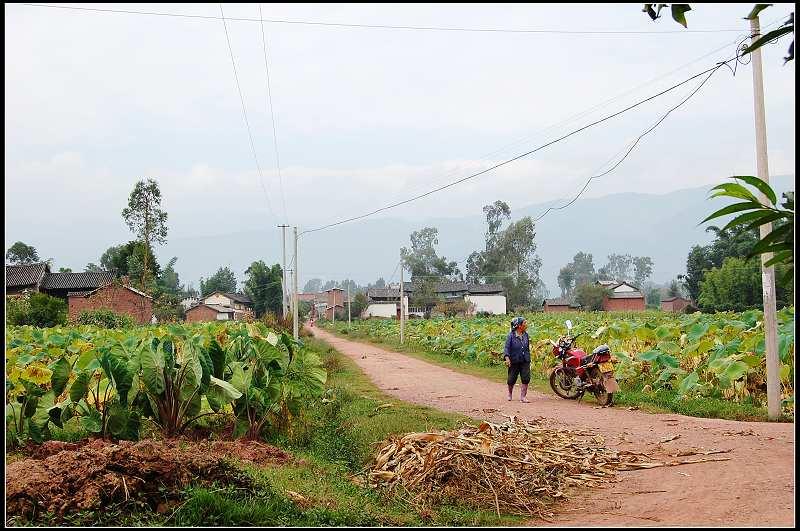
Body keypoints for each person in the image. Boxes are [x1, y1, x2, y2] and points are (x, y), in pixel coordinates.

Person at [503, 316, 531, 403]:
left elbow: (527, 347)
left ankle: (523, 397)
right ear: (519, 325)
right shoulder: (511, 336)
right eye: (524, 323)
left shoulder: (526, 335)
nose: (525, 325)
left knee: (526, 378)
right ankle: (510, 394)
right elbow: (507, 348)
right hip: (514, 360)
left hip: (525, 359)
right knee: (511, 379)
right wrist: (507, 358)